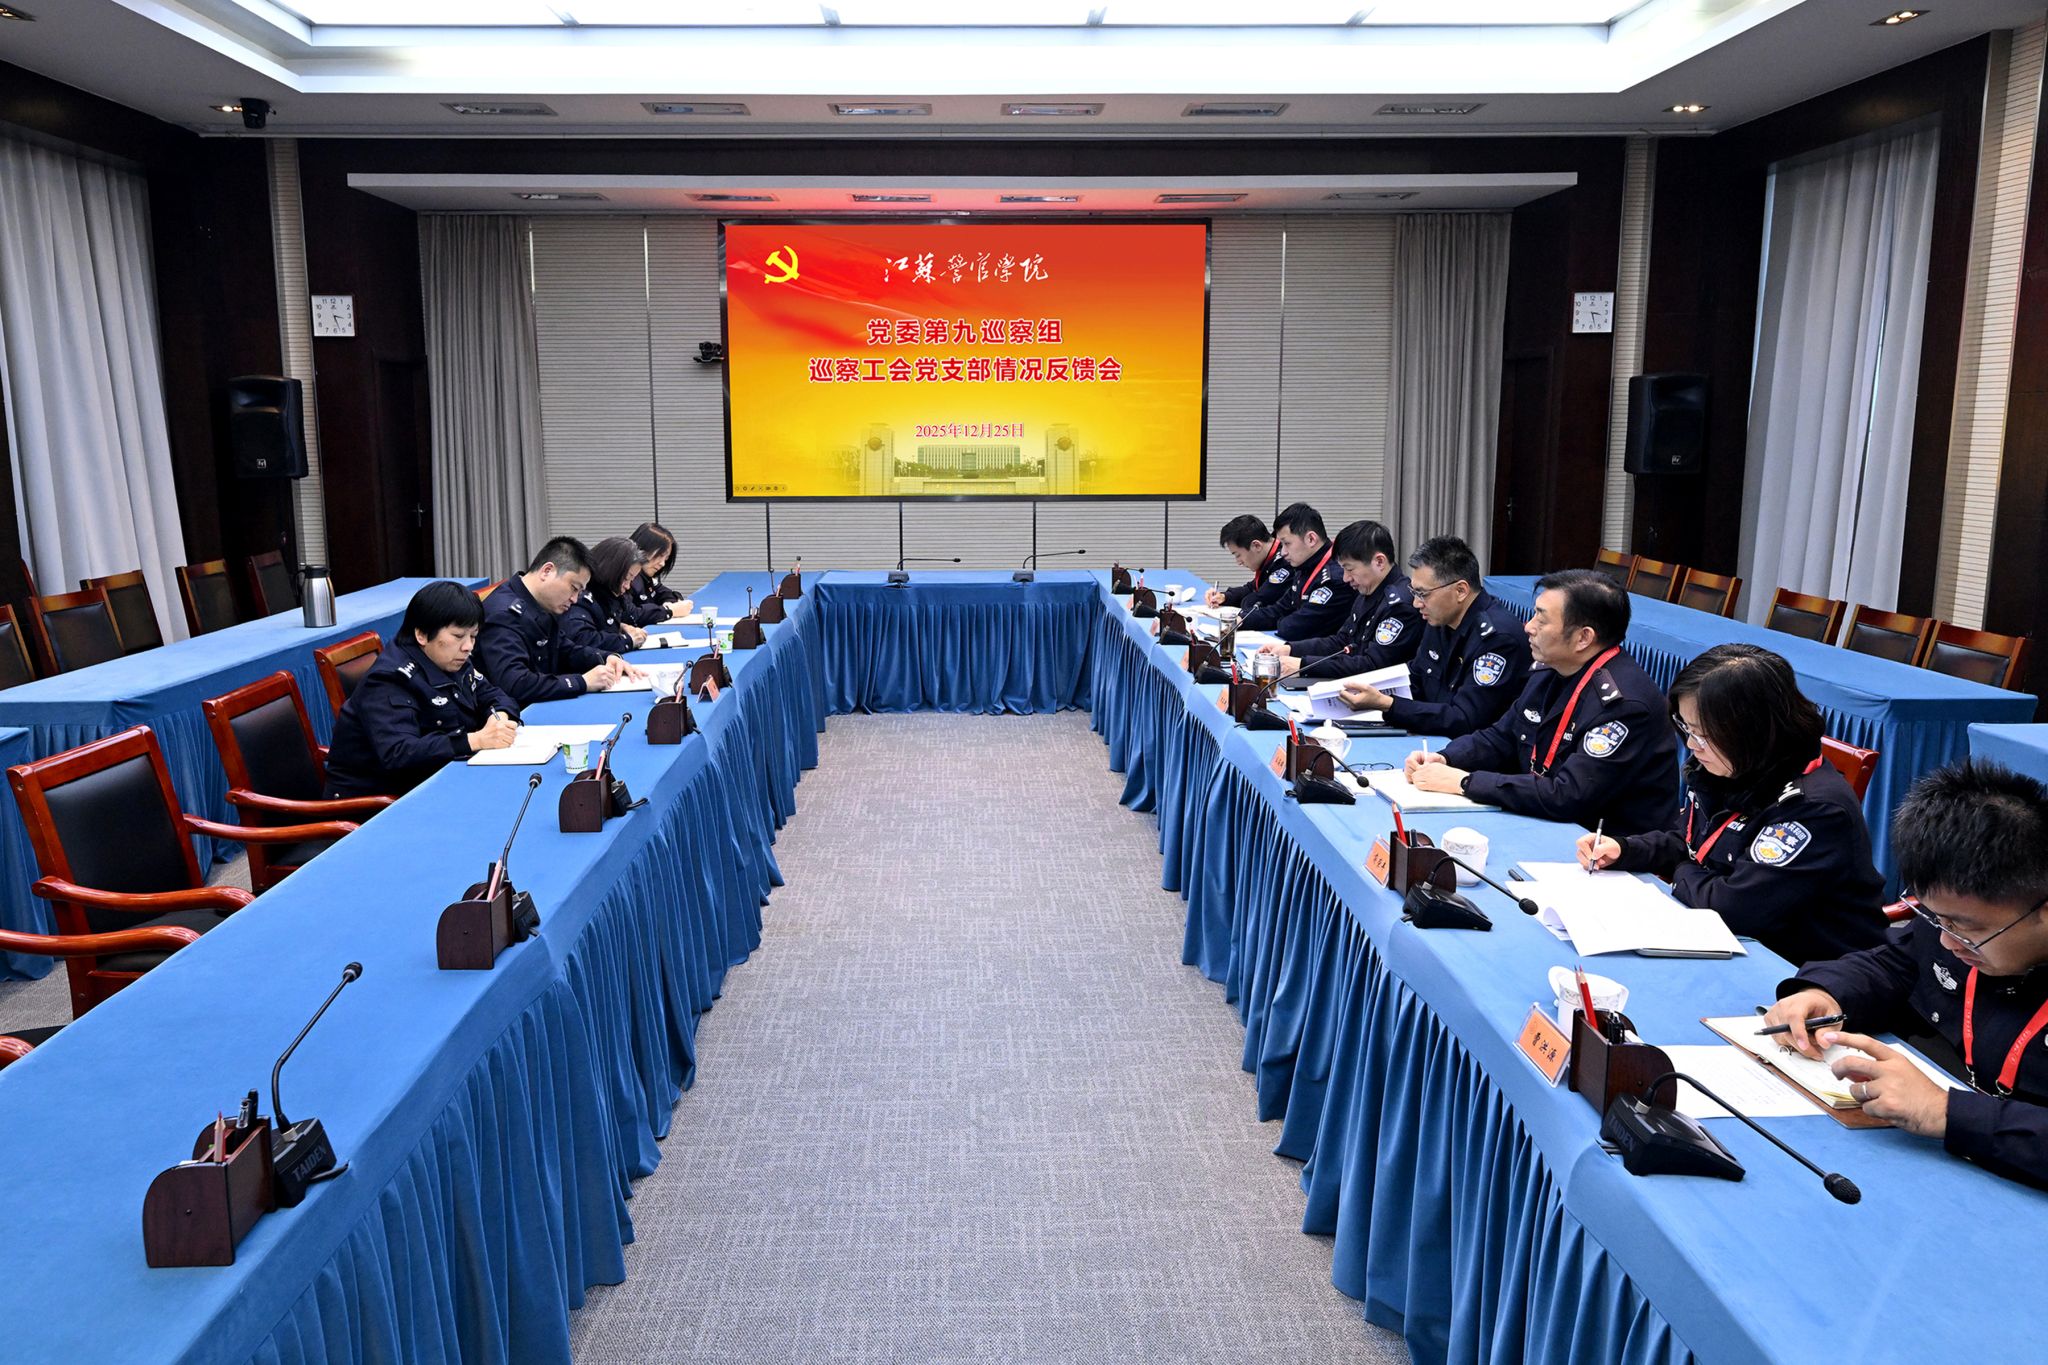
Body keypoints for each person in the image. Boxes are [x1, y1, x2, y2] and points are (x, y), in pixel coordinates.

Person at [1763, 761, 2048, 1190]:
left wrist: (1946, 1112)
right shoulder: (1958, 917)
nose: (1948, 941)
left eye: (1966, 929)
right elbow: (1897, 962)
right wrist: (1825, 993)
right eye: (1935, 917)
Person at [1574, 644, 1886, 964]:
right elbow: (1691, 841)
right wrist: (1626, 849)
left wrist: (1684, 870)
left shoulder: (1813, 809)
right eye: (1686, 728)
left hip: (1797, 969)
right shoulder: (1735, 766)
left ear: (1752, 730)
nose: (1692, 745)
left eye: (1703, 735)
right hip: (1731, 941)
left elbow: (1732, 909)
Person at [1408, 568, 1676, 835]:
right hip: (1545, 820)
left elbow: (1568, 795)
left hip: (1601, 846)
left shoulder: (1624, 706)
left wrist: (1466, 782)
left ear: (1583, 638)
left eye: (1542, 619)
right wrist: (1445, 758)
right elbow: (1502, 737)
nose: (1528, 626)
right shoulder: (1549, 669)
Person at [323, 580, 523, 799]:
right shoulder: (389, 680)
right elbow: (399, 753)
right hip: (378, 802)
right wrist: (475, 740)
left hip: (437, 781)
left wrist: (498, 719)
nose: (468, 646)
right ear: (422, 635)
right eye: (458, 636)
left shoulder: (451, 659)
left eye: (473, 636)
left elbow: (494, 695)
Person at [1339, 535, 1526, 737]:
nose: (1416, 603)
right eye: (1414, 592)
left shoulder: (1498, 639)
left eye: (1423, 594)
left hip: (1466, 748)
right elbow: (1416, 676)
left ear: (1460, 591)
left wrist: (1388, 704)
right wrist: (1363, 688)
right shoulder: (1440, 618)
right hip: (1432, 736)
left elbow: (1465, 719)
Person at [477, 536, 640, 705]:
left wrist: (605, 658)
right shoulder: (503, 613)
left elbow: (564, 649)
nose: (575, 599)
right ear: (547, 571)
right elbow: (516, 683)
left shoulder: (540, 603)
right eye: (574, 588)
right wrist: (582, 682)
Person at [1256, 519, 1422, 679]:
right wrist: (1290, 649)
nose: (1345, 578)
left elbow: (1372, 665)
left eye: (1349, 569)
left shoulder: (1401, 606)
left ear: (1379, 562)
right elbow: (1341, 642)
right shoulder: (1367, 591)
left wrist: (1303, 665)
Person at [1238, 502, 1355, 641]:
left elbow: (1295, 628)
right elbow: (1279, 609)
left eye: (1287, 543)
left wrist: (1281, 620)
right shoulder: (1304, 567)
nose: (1283, 552)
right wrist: (1240, 619)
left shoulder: (1335, 577)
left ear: (1311, 539)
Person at [563, 536, 653, 656]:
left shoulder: (609, 595)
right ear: (611, 571)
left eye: (631, 580)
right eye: (626, 578)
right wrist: (627, 640)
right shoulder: (580, 596)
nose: (627, 586)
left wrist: (620, 627)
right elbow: (583, 639)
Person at [1203, 515, 1286, 614]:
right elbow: (1253, 588)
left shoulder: (1284, 561)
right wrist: (1224, 597)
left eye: (1238, 555)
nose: (1239, 562)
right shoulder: (1269, 558)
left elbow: (1257, 601)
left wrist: (1244, 600)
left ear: (1256, 545)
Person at [626, 522, 696, 623]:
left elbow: (666, 594)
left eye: (666, 559)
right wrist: (669, 611)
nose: (662, 564)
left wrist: (669, 605)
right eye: (660, 555)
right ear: (642, 549)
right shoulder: (626, 578)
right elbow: (631, 615)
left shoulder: (646, 578)